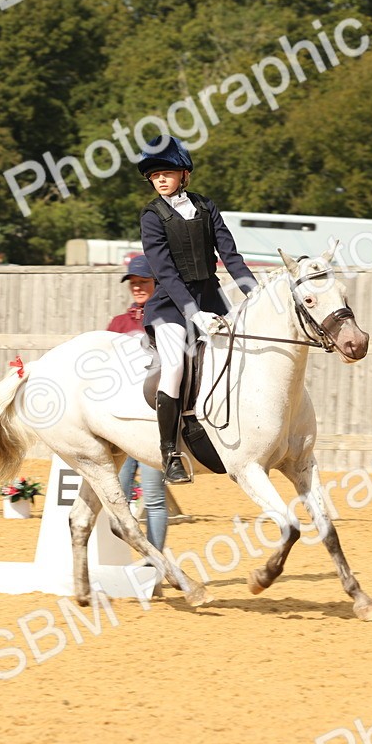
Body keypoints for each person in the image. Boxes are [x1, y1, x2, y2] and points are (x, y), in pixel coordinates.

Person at [137, 135, 258, 484]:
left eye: (166, 172)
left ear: (184, 174)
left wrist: (254, 293)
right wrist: (193, 312)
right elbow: (164, 272)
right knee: (175, 365)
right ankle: (170, 453)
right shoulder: (151, 216)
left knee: (245, 350)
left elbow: (230, 255)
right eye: (154, 175)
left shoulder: (206, 207)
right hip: (170, 306)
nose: (160, 179)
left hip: (212, 298)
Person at [105, 255, 168, 551]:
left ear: (156, 282)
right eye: (133, 282)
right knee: (119, 495)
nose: (138, 287)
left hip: (153, 422)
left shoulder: (167, 320)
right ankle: (129, 559)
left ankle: (154, 564)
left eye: (143, 281)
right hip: (121, 423)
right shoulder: (118, 324)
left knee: (154, 497)